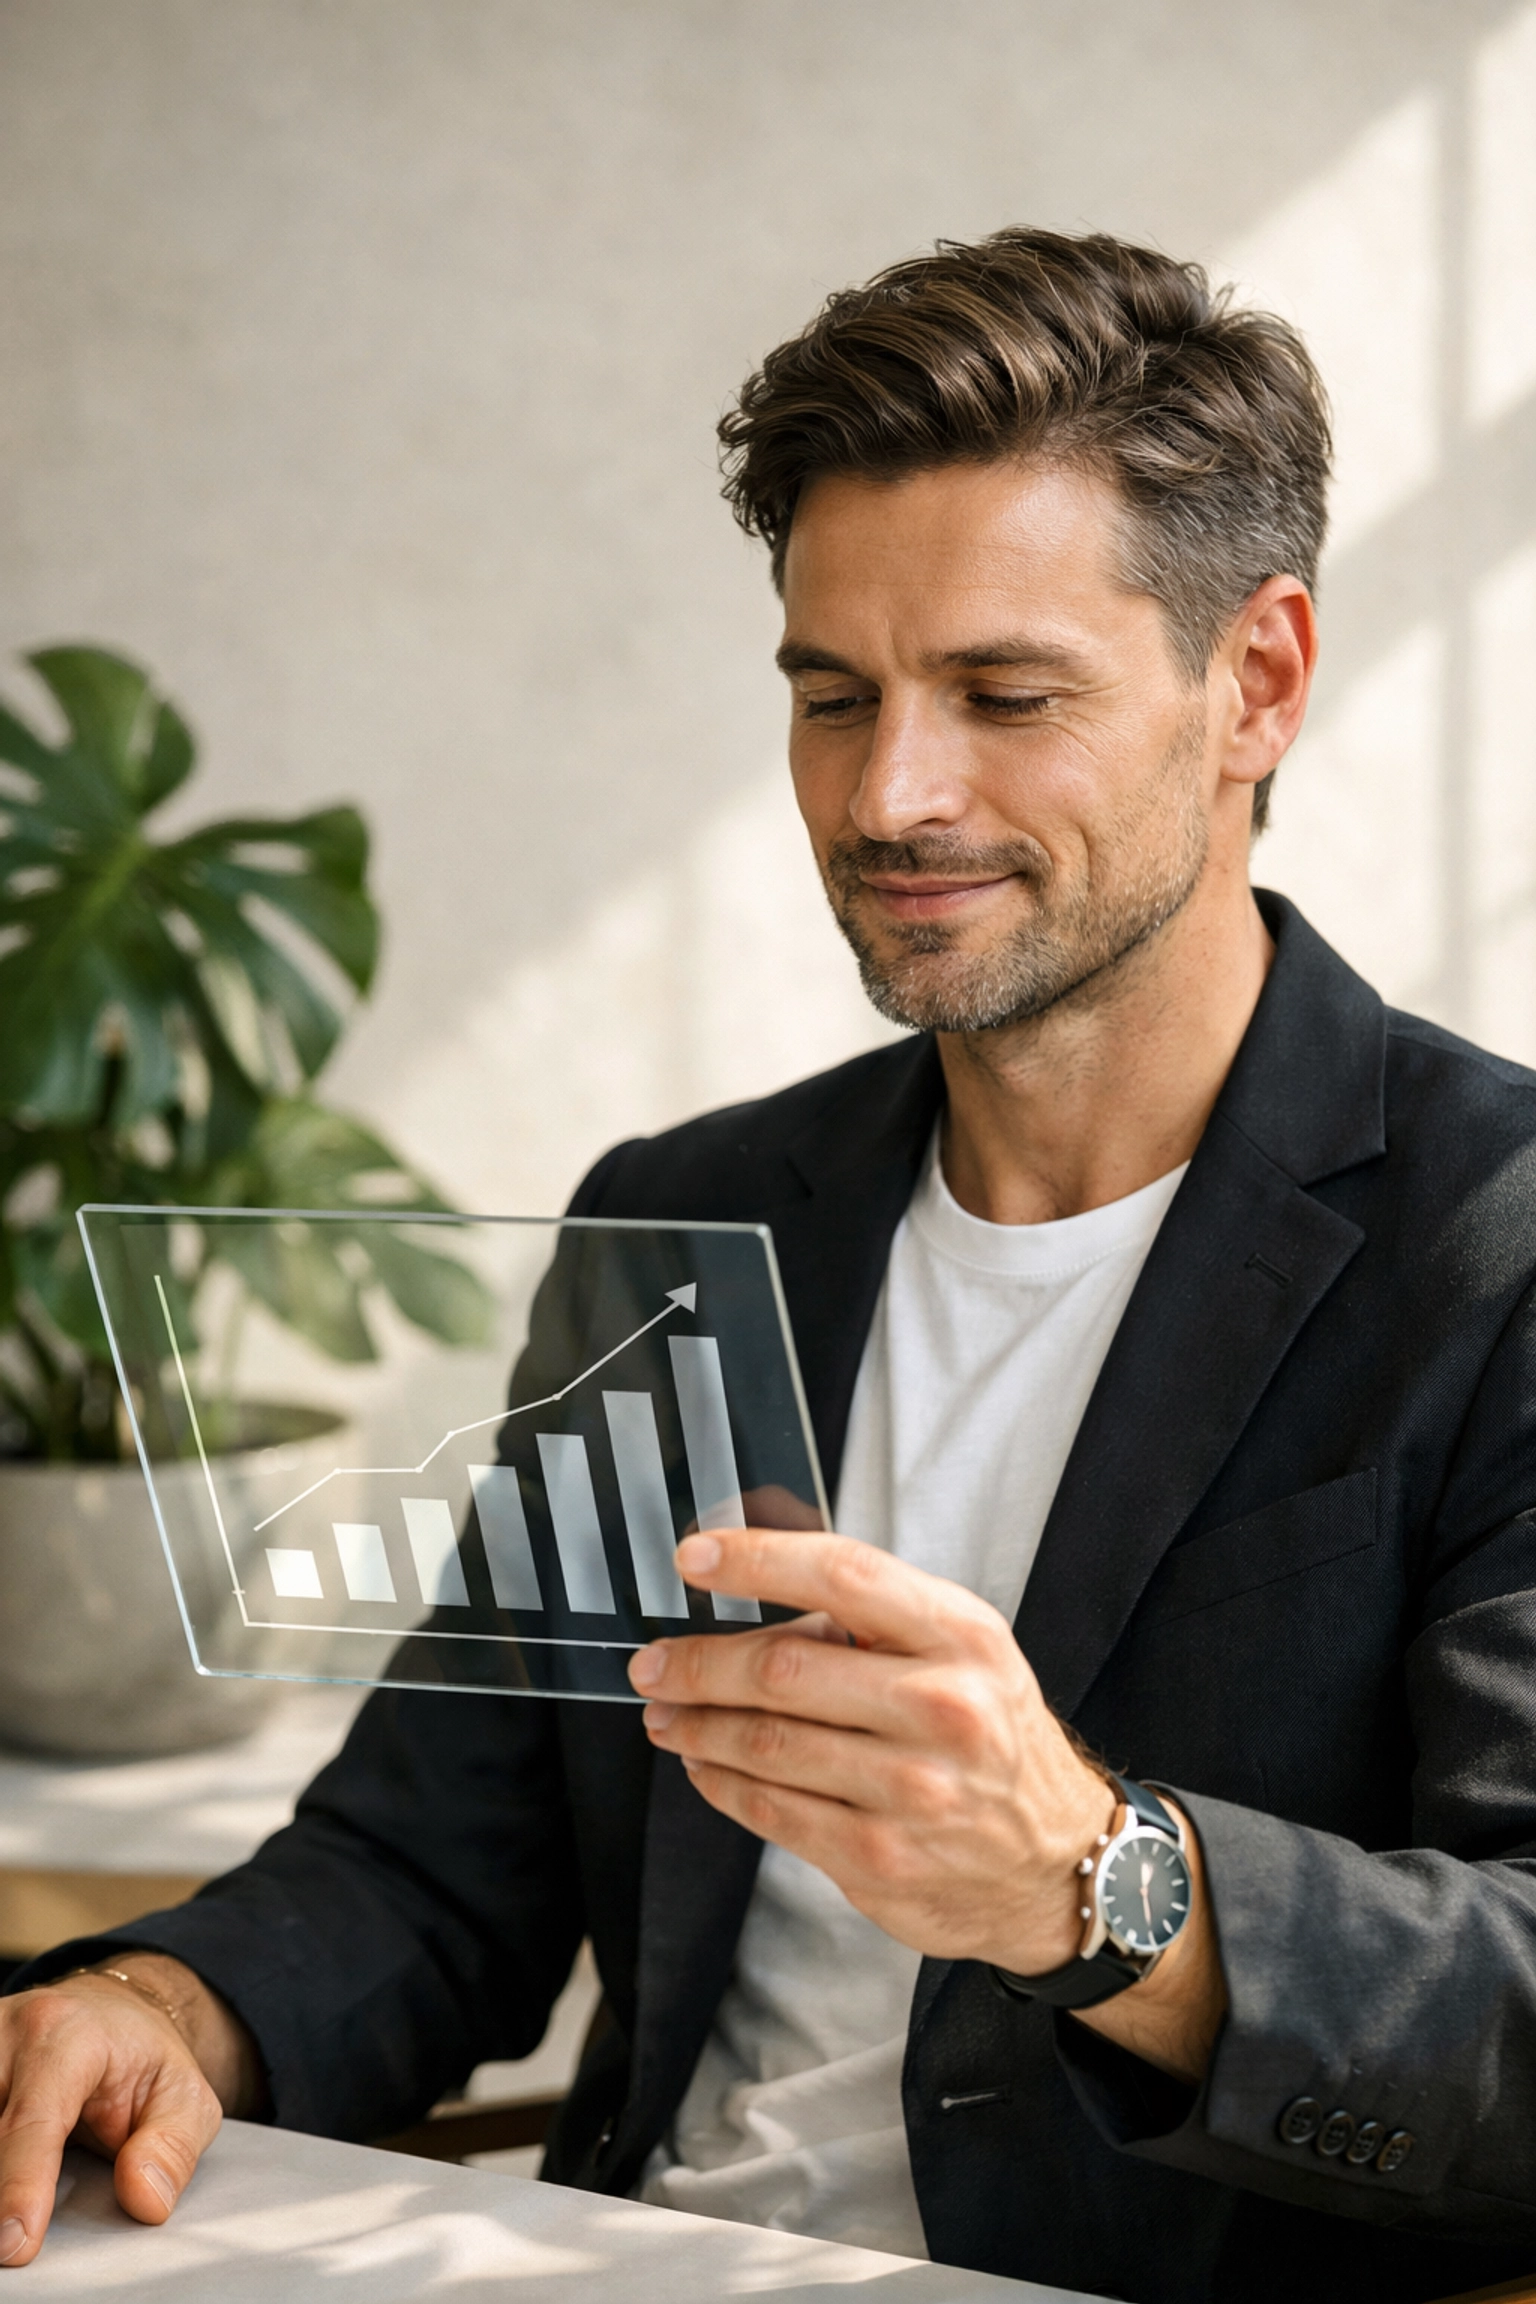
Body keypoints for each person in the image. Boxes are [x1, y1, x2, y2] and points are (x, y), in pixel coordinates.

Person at [4, 228, 1536, 2304]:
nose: (891, 794)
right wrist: (165, 2012)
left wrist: (1100, 1886)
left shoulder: (1495, 1240)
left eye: (1004, 695)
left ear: (1254, 679)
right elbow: (434, 1861)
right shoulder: (689, 1208)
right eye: (835, 696)